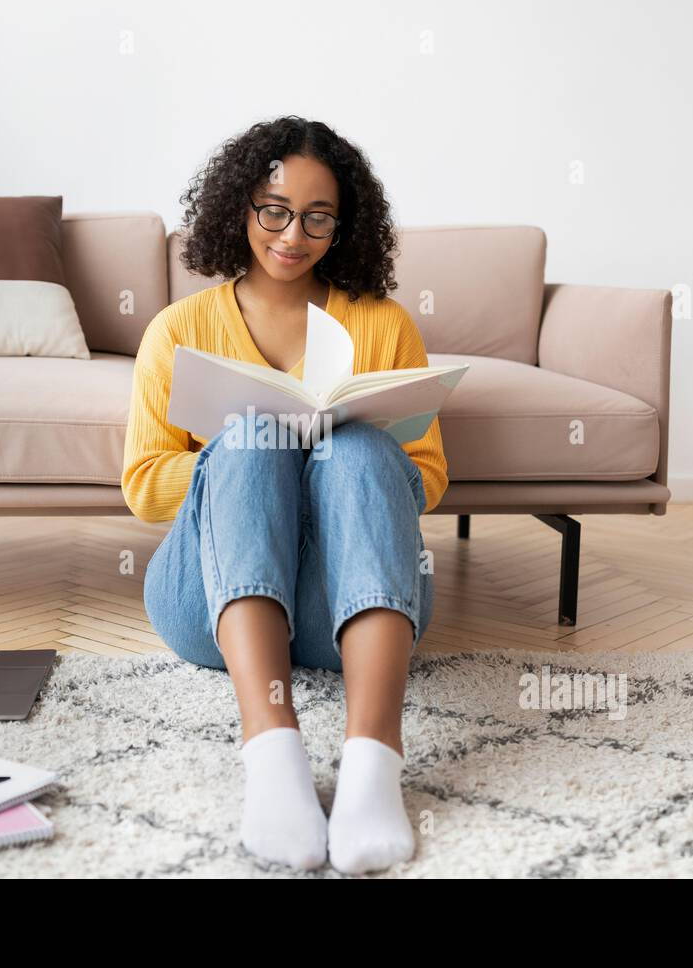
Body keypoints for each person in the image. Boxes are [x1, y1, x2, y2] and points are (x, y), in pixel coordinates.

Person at [121, 115, 448, 874]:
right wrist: (253, 458)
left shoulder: (382, 322)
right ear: (240, 209)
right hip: (214, 603)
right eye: (274, 209)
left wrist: (327, 459)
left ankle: (373, 763)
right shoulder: (177, 330)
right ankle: (273, 759)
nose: (292, 234)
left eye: (317, 216)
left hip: (350, 601)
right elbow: (142, 483)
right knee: (245, 441)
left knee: (364, 447)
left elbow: (426, 475)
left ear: (344, 224)